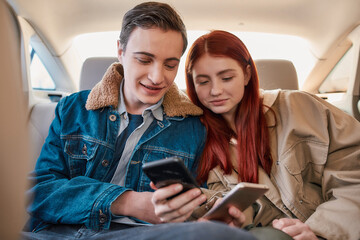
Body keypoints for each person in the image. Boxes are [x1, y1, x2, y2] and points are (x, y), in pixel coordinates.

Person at [22, 3, 257, 240]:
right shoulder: (73, 109)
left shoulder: (193, 126)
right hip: (54, 234)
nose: (157, 77)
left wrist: (204, 215)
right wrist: (127, 202)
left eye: (170, 65)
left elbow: (194, 199)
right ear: (121, 51)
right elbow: (40, 192)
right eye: (144, 60)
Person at [184, 30, 360, 240]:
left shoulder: (302, 107)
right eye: (203, 82)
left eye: (227, 78)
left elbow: (353, 175)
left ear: (247, 74)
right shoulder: (198, 138)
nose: (216, 90)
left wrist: (320, 231)